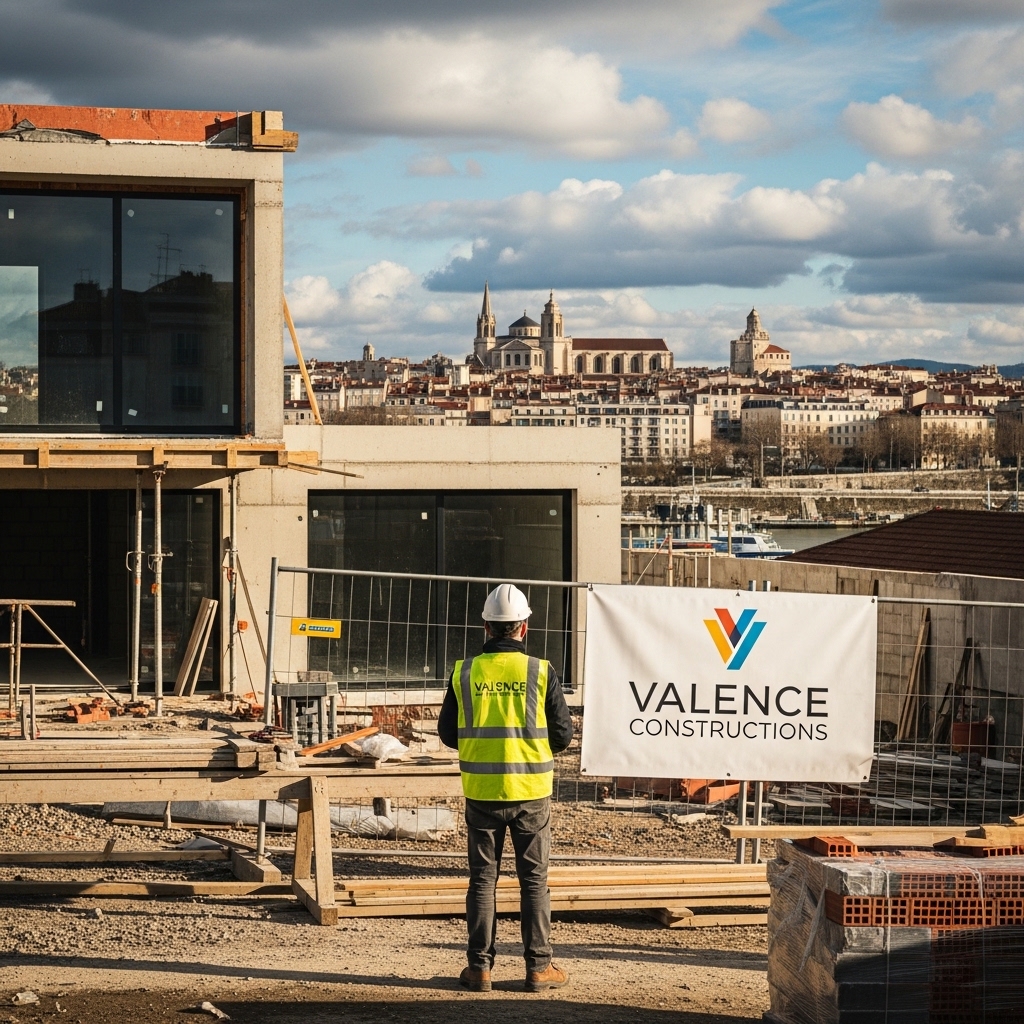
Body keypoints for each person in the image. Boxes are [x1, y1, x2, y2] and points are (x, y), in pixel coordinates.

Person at [437, 583, 574, 994]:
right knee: (534, 881)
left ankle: (479, 970)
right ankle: (539, 969)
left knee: (482, 880)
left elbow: (446, 732)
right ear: (524, 627)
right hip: (531, 790)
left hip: (481, 790)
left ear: (486, 627)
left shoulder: (464, 671)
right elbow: (564, 735)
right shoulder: (540, 670)